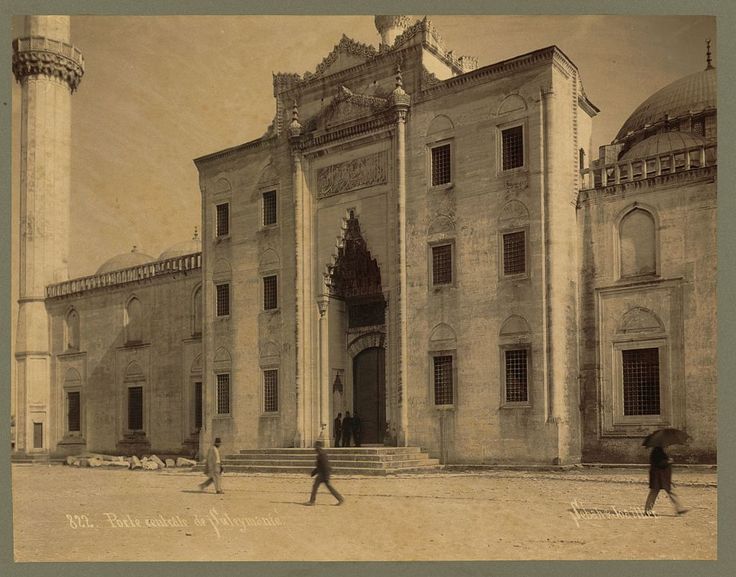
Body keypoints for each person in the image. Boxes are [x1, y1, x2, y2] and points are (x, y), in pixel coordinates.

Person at [645, 446, 687, 515]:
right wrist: (668, 461)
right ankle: (647, 510)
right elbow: (659, 463)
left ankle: (679, 508)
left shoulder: (659, 450)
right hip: (658, 476)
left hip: (662, 476)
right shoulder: (657, 451)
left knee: (667, 491)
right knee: (655, 491)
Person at [306, 441, 344, 506]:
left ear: (318, 447)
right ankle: (340, 498)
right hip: (322, 474)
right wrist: (313, 473)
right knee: (325, 487)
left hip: (323, 475)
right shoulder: (321, 454)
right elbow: (319, 466)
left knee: (316, 486)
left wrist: (325, 476)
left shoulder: (321, 455)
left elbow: (325, 466)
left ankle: (312, 501)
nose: (314, 448)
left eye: (315, 446)